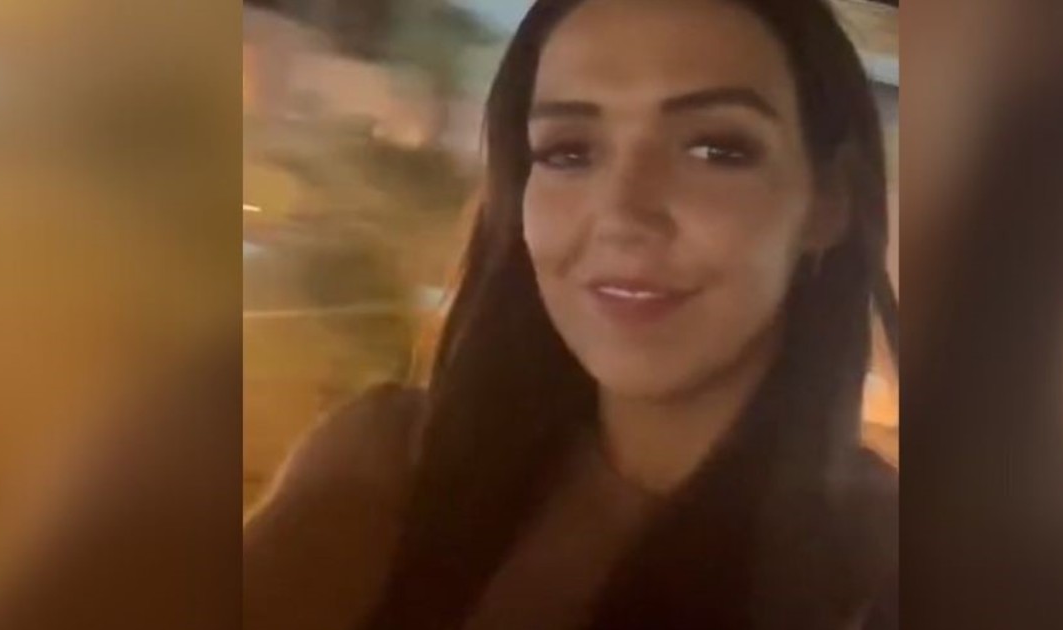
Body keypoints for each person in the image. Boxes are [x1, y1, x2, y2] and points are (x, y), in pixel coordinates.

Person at [244, 1, 897, 629]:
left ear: (828, 200)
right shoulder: (385, 466)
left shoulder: (886, 571)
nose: (623, 214)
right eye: (568, 151)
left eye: (716, 149)